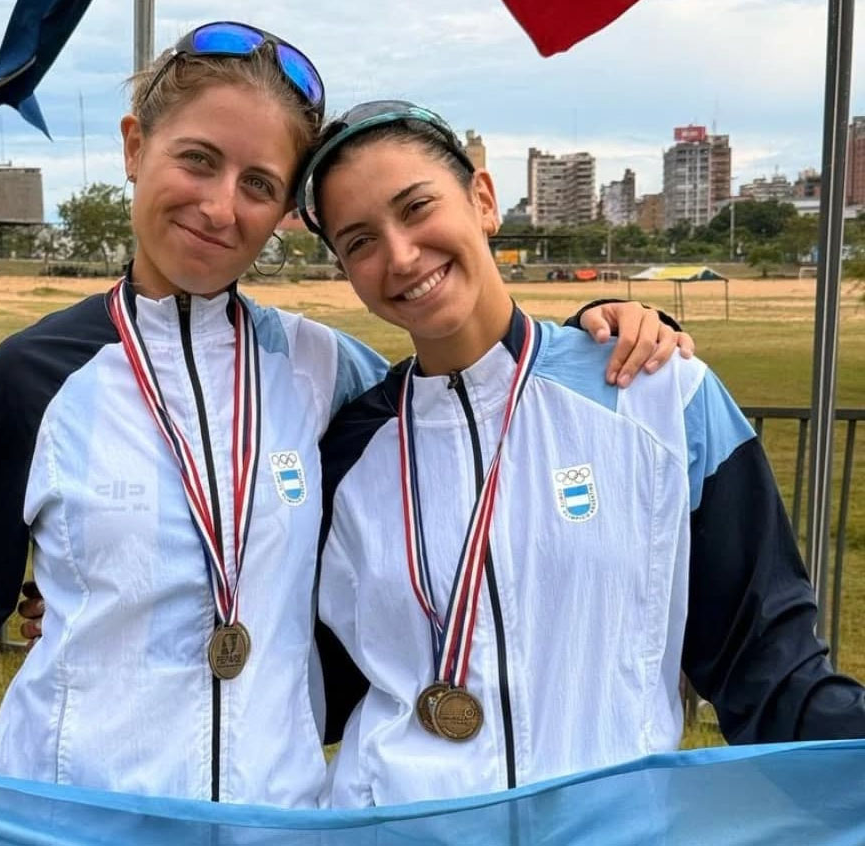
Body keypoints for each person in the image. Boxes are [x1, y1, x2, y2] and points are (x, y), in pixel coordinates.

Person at [0, 26, 684, 805]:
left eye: (259, 183)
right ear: (136, 147)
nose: (221, 207)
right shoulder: (38, 377)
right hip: (72, 817)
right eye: (198, 160)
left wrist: (597, 333)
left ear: (285, 215)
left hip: (277, 820)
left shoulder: (324, 368)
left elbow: (470, 397)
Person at [297, 101, 865, 807]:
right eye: (359, 242)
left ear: (483, 199)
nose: (401, 255)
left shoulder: (661, 397)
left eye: (417, 207)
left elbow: (766, 666)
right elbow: (301, 680)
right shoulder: (348, 447)